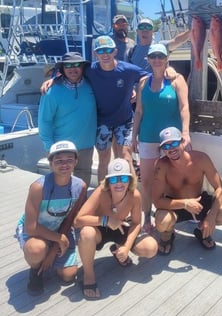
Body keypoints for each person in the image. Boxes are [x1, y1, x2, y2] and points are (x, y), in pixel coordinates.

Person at [41, 36, 149, 182]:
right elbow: (69, 71)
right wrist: (53, 79)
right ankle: (102, 195)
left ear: (115, 51)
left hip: (123, 121)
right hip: (101, 122)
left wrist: (136, 89)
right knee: (104, 159)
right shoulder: (88, 71)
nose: (105, 54)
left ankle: (131, 195)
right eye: (101, 51)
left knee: (125, 156)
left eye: (109, 50)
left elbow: (148, 76)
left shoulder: (125, 70)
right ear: (95, 54)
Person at [74, 158, 158, 300]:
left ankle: (118, 248)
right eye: (114, 180)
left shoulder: (135, 195)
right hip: (100, 228)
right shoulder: (100, 192)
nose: (119, 183)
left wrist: (126, 247)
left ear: (130, 180)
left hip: (122, 225)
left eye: (124, 178)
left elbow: (137, 223)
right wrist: (105, 220)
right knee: (86, 233)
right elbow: (78, 220)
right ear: (107, 181)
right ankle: (88, 276)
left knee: (150, 248)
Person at [131, 43, 191, 234]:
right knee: (147, 181)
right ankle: (147, 216)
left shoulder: (176, 80)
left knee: (173, 178)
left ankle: (174, 216)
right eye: (153, 56)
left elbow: (184, 107)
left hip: (171, 139)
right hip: (147, 137)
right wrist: (134, 136)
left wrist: (186, 133)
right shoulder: (142, 83)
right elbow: (139, 111)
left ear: (167, 59)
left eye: (161, 56)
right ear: (148, 59)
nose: (157, 60)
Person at [16, 141, 87, 296]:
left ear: (76, 161)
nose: (64, 164)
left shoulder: (80, 186)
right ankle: (35, 270)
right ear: (50, 163)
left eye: (69, 159)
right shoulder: (38, 187)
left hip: (59, 230)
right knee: (36, 250)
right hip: (35, 229)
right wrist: (59, 239)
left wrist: (55, 246)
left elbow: (70, 220)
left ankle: (49, 256)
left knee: (69, 275)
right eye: (59, 160)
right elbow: (30, 227)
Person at [152, 127, 222, 255]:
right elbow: (157, 201)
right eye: (166, 147)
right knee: (162, 222)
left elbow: (220, 188)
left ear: (182, 142)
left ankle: (202, 231)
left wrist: (211, 216)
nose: (171, 149)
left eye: (174, 143)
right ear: (162, 150)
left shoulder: (201, 159)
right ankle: (167, 237)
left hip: (199, 201)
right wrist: (185, 203)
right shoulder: (161, 166)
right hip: (175, 204)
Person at [38, 52, 97, 186]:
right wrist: (49, 148)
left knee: (82, 187)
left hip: (86, 147)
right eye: (68, 65)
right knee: (60, 186)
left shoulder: (92, 85)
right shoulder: (51, 91)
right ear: (62, 69)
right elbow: (44, 121)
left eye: (76, 64)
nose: (72, 68)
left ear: (82, 67)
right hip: (60, 148)